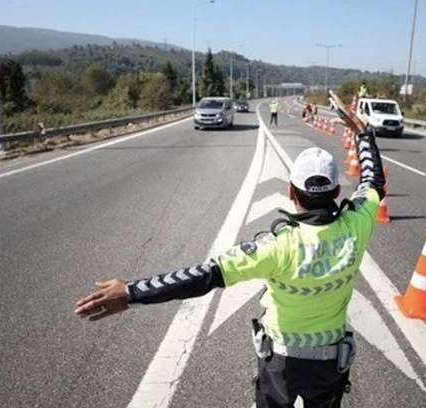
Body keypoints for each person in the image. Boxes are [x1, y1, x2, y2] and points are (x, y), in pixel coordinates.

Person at [74, 119, 386, 408]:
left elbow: (201, 276)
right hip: (330, 366)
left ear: (291, 191)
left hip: (280, 366)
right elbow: (373, 180)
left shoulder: (276, 247)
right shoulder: (357, 226)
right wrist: (363, 136)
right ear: (336, 191)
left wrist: (131, 291)